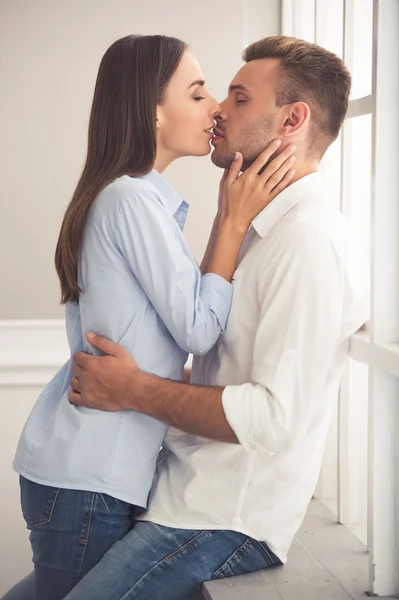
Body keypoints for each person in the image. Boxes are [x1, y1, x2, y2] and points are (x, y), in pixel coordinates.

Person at [3, 35, 370, 600]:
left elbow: (272, 416)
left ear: (293, 119)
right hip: (170, 485)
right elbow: (202, 339)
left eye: (237, 97)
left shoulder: (306, 243)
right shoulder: (249, 227)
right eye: (203, 93)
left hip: (222, 511)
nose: (219, 109)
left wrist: (134, 387)